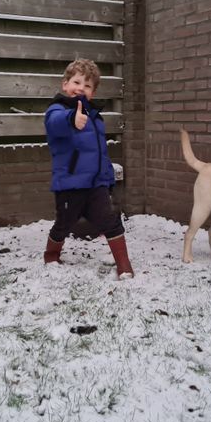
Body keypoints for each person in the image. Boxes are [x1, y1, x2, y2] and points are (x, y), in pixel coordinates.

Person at [43, 58, 134, 279]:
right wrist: (72, 119)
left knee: (110, 220)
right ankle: (51, 255)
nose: (80, 88)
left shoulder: (96, 118)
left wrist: (107, 180)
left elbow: (101, 154)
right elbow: (55, 123)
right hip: (69, 184)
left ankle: (124, 264)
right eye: (76, 82)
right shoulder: (57, 110)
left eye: (87, 85)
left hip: (95, 185)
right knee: (64, 224)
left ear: (92, 92)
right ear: (65, 84)